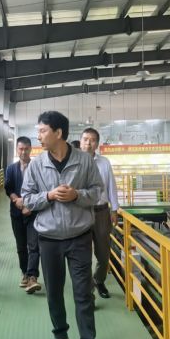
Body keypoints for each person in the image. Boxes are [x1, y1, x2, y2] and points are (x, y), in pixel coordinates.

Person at [21, 111, 105, 339]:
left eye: (43, 131)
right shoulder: (36, 165)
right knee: (54, 292)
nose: (38, 136)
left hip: (80, 237)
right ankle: (61, 338)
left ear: (58, 133)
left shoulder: (84, 160)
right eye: (38, 131)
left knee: (83, 292)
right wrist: (49, 196)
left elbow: (97, 192)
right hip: (49, 239)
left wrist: (76, 195)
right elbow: (27, 199)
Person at [79, 128, 119, 299]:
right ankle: (87, 290)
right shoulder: (74, 162)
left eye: (92, 140)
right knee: (83, 255)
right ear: (80, 141)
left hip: (102, 212)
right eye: (85, 139)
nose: (88, 143)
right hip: (81, 212)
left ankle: (99, 280)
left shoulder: (104, 163)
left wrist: (114, 209)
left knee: (103, 254)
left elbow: (111, 186)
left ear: (97, 143)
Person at [5, 136, 41, 294]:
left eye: (26, 149)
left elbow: (41, 189)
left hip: (33, 214)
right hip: (16, 213)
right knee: (21, 246)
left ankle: (33, 276)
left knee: (34, 245)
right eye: (21, 149)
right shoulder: (11, 169)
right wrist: (17, 201)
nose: (24, 152)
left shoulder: (37, 168)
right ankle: (25, 273)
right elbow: (9, 188)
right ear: (17, 150)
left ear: (31, 149)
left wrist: (30, 206)